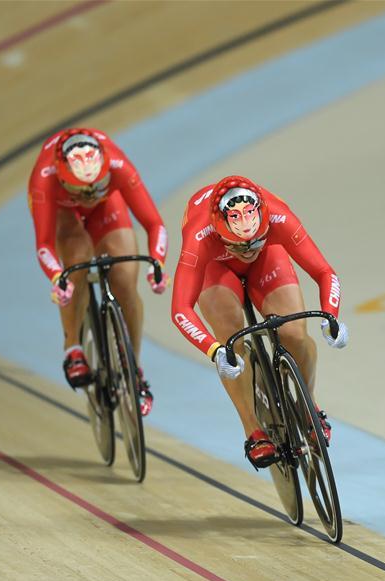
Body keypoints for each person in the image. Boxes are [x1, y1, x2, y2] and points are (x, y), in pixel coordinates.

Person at [170, 175, 348, 468]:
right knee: (232, 344)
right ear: (219, 231)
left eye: (256, 240)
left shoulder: (279, 216)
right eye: (240, 245)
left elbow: (325, 272)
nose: (248, 250)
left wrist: (332, 316)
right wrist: (215, 350)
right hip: (216, 269)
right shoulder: (199, 236)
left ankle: (308, 407)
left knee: (294, 333)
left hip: (270, 259)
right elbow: (180, 309)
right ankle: (253, 430)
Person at [28, 128, 169, 415]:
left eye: (96, 185)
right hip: (64, 212)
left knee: (125, 282)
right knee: (75, 263)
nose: (89, 195)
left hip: (108, 208)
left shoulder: (117, 165)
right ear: (64, 178)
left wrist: (157, 263)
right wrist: (58, 277)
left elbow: (154, 224)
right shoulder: (44, 178)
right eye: (82, 190)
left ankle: (133, 369)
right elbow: (44, 244)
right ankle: (73, 349)